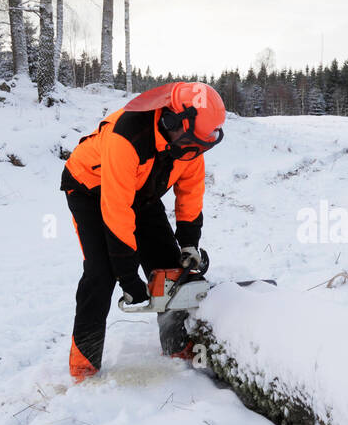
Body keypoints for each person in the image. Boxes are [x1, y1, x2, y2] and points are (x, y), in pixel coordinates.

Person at [60, 81, 226, 381]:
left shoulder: (190, 145)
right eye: (190, 142)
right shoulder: (127, 136)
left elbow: (190, 193)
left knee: (172, 269)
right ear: (172, 119)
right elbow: (116, 210)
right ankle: (84, 364)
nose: (193, 150)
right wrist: (127, 274)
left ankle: (175, 344)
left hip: (139, 191)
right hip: (90, 189)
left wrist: (189, 243)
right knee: (102, 272)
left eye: (200, 145)